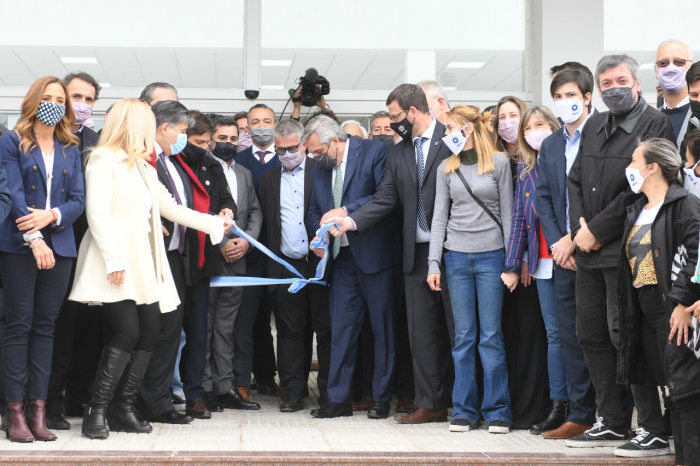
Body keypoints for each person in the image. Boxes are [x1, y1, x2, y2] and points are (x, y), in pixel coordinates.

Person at [68, 98, 230, 439]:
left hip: (142, 261)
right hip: (114, 260)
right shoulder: (102, 158)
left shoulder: (142, 165)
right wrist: (112, 259)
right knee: (126, 332)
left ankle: (123, 408)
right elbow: (96, 213)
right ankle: (97, 411)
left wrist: (212, 224)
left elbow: (169, 206)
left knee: (150, 332)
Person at [326, 84, 455, 425]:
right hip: (415, 253)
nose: (393, 124)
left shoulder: (453, 137)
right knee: (421, 332)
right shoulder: (399, 153)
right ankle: (431, 403)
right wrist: (350, 221)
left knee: (460, 331)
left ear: (414, 111)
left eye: (396, 117)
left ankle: (471, 403)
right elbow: (385, 200)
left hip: (455, 248)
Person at [566, 54, 675, 450]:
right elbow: (574, 178)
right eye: (606, 82)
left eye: (621, 80)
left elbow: (640, 186)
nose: (613, 88)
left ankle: (651, 427)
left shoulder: (653, 123)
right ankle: (610, 420)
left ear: (638, 83)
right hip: (589, 250)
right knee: (590, 334)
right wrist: (581, 230)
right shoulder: (594, 123)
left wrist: (596, 230)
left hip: (628, 247)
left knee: (625, 335)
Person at [0, 76, 85, 442]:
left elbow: (78, 200)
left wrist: (51, 217)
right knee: (18, 325)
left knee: (46, 327)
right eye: (47, 97)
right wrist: (34, 238)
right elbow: (12, 192)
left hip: (62, 245)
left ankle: (39, 411)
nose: (53, 102)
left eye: (59, 98)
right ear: (34, 100)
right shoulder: (11, 140)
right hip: (20, 245)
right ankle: (14, 411)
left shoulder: (70, 145)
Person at [306, 116, 401, 419]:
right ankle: (338, 400)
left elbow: (384, 196)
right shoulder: (320, 168)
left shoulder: (374, 152)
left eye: (318, 151)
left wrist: (347, 211)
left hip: (376, 256)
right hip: (341, 258)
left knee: (383, 330)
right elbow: (314, 210)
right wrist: (316, 236)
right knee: (341, 330)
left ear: (336, 141)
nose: (314, 157)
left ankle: (382, 398)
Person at [426, 105, 513, 434]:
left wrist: (511, 262)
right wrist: (434, 262)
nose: (446, 134)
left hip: (492, 257)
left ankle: (498, 411)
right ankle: (463, 410)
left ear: (469, 129)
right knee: (463, 337)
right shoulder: (446, 169)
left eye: (451, 128)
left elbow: (507, 214)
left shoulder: (500, 164)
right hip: (456, 258)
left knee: (491, 337)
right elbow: (439, 218)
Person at [614, 138, 700, 460]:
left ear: (653, 167)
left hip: (674, 308)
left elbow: (697, 257)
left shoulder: (684, 204)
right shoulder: (636, 210)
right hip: (645, 309)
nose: (629, 168)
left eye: (634, 161)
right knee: (671, 390)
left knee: (686, 391)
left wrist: (681, 301)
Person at [535, 68, 597, 440]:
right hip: (562, 254)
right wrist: (560, 240)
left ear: (588, 96)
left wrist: (575, 238)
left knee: (602, 335)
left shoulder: (605, 135)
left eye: (570, 94)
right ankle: (580, 413)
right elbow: (544, 197)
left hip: (596, 248)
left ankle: (613, 414)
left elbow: (608, 196)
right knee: (570, 338)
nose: (564, 102)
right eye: (557, 96)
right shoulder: (551, 144)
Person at [501, 105, 569, 436]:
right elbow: (518, 221)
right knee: (554, 336)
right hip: (542, 264)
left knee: (581, 334)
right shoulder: (526, 171)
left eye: (540, 125)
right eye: (529, 128)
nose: (533, 132)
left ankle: (588, 404)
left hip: (570, 259)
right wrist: (514, 264)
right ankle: (560, 405)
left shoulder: (569, 162)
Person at [255, 119, 330, 412]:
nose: (285, 154)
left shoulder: (322, 172)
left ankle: (327, 393)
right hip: (285, 265)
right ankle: (293, 393)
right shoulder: (268, 180)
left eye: (290, 149)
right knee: (289, 331)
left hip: (321, 263)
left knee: (325, 330)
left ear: (303, 146)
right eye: (279, 149)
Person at [46, 71, 104, 430]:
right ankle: (49, 401)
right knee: (58, 328)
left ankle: (79, 397)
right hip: (56, 242)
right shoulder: (46, 138)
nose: (82, 105)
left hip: (93, 245)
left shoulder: (98, 141)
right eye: (76, 97)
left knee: (91, 327)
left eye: (89, 99)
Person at [135, 98, 196, 426]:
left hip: (174, 258)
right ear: (164, 128)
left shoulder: (172, 161)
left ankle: (158, 402)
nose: (183, 137)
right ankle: (147, 402)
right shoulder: (142, 160)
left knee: (171, 333)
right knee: (152, 332)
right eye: (183, 131)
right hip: (149, 256)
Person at [176, 110, 237, 419]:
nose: (203, 146)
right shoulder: (171, 163)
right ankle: (161, 391)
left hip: (203, 260)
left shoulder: (213, 164)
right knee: (170, 332)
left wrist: (226, 211)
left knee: (200, 332)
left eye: (206, 141)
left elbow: (227, 200)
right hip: (175, 258)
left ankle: (195, 394)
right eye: (197, 141)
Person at [492, 95, 547, 430]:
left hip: (527, 264)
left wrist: (524, 258)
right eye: (502, 117)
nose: (507, 122)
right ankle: (508, 404)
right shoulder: (494, 159)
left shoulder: (533, 164)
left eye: (515, 116)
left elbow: (528, 219)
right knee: (507, 336)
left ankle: (535, 407)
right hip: (496, 263)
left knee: (532, 335)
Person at [204, 116, 262, 411]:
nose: (228, 144)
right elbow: (195, 211)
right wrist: (222, 242)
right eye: (222, 138)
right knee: (205, 325)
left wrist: (248, 240)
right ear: (211, 140)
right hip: (211, 259)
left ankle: (224, 386)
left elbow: (254, 211)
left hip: (239, 261)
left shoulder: (244, 173)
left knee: (227, 328)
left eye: (233, 138)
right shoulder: (202, 168)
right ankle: (202, 388)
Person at [234, 104, 281, 397]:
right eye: (255, 122)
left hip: (283, 256)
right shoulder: (236, 161)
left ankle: (277, 379)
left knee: (286, 322)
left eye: (267, 121)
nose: (261, 126)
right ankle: (241, 380)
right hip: (247, 255)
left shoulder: (291, 157)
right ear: (247, 129)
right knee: (246, 320)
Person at [655, 40, 694, 147]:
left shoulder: (697, 116)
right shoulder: (648, 119)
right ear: (656, 71)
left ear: (691, 68)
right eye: (663, 63)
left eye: (679, 62)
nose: (671, 68)